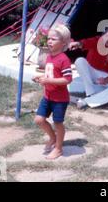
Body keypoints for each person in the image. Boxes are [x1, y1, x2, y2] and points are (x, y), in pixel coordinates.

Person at [33, 24, 72, 160]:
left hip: (60, 99)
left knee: (58, 123)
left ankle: (58, 148)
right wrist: (40, 77)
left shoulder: (64, 59)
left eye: (53, 39)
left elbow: (67, 79)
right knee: (39, 120)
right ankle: (53, 138)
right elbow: (51, 75)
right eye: (49, 38)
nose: (49, 41)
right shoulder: (49, 56)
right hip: (48, 96)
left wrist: (48, 81)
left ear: (63, 43)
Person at [69, 28, 108, 108]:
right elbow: (85, 43)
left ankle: (87, 101)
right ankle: (91, 93)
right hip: (90, 73)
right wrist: (78, 43)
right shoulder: (97, 40)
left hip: (104, 77)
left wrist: (107, 79)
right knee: (80, 61)